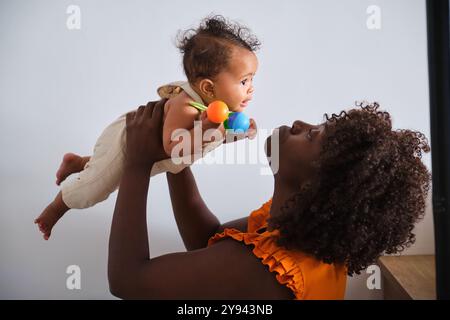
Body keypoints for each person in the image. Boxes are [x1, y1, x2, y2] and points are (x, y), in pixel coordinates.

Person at [107, 100, 431, 299]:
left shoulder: (263, 271)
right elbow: (205, 240)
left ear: (315, 189)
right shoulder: (296, 233)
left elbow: (127, 280)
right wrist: (177, 159)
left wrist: (137, 163)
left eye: (312, 136)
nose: (302, 124)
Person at [34, 15, 259, 240]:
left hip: (140, 153)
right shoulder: (187, 107)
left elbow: (209, 138)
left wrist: (234, 134)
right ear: (208, 87)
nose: (251, 89)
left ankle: (79, 162)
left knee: (106, 167)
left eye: (251, 80)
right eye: (244, 81)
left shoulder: (217, 109)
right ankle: (56, 208)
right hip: (127, 141)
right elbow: (173, 146)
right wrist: (205, 128)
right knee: (96, 187)